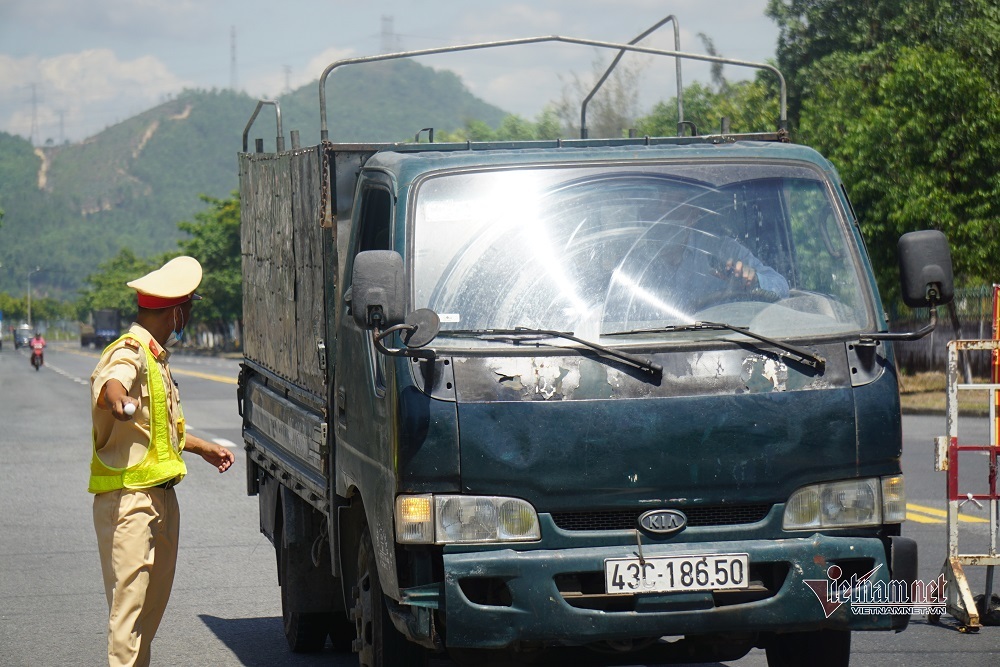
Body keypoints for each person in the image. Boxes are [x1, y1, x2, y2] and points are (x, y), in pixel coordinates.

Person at [88, 256, 235, 667]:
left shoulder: (156, 359)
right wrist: (118, 401)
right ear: (176, 311)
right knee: (129, 615)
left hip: (162, 499)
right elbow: (111, 382)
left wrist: (203, 447)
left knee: (148, 615)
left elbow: (159, 431)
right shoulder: (130, 352)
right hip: (129, 503)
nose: (188, 316)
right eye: (189, 308)